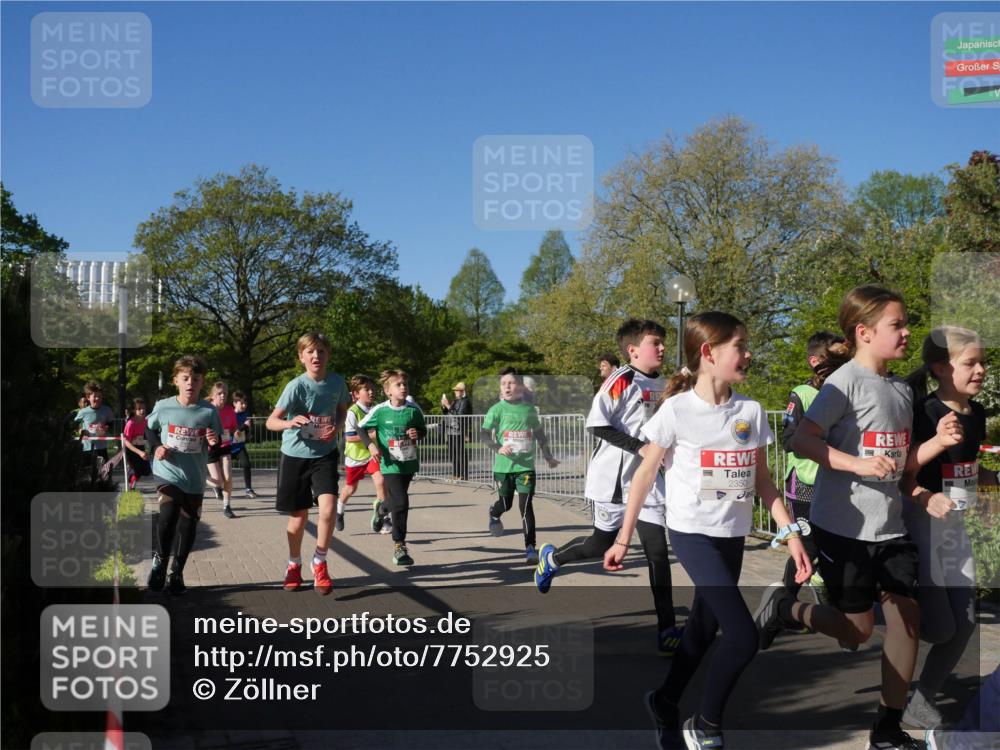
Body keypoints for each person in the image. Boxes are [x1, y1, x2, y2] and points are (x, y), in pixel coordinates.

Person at [754, 285, 963, 750]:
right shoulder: (842, 382)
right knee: (856, 631)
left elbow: (903, 462)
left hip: (891, 528)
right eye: (898, 325)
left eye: (906, 323)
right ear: (864, 333)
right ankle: (785, 609)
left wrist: (926, 478)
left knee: (906, 620)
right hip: (842, 528)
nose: (908, 332)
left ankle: (886, 731)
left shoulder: (899, 390)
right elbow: (801, 439)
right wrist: (856, 464)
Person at [604, 311, 811, 750]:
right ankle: (707, 725)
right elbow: (643, 475)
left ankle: (664, 701)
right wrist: (623, 537)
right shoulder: (677, 410)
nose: (748, 353)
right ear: (708, 353)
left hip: (731, 535)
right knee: (742, 635)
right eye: (739, 345)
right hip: (692, 534)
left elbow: (764, 483)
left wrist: (791, 536)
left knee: (702, 628)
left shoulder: (750, 411)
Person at [535, 318, 681, 657]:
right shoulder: (621, 379)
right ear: (632, 350)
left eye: (662, 342)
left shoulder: (667, 383)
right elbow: (597, 424)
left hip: (648, 484)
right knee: (601, 544)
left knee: (657, 553)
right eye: (654, 342)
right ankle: (552, 560)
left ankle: (667, 629)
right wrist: (641, 448)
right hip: (614, 482)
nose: (661, 348)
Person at [900, 326, 996, 729]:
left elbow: (964, 468)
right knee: (940, 628)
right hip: (921, 525)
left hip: (955, 530)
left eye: (983, 362)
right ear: (941, 368)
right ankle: (853, 609)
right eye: (970, 363)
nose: (981, 371)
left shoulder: (978, 415)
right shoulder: (924, 413)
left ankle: (919, 702)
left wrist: (989, 479)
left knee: (965, 622)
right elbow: (902, 475)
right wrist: (924, 495)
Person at [265, 332, 349, 596]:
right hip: (295, 456)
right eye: (310, 352)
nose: (316, 356)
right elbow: (271, 421)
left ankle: (320, 562)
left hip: (324, 455)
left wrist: (335, 427)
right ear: (302, 357)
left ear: (328, 355)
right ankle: (294, 564)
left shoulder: (337, 383)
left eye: (321, 351)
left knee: (328, 510)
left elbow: (342, 410)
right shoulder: (295, 386)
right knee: (298, 518)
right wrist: (289, 423)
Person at [777, 332, 851, 612]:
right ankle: (784, 602)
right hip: (805, 484)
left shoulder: (848, 392)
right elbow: (788, 440)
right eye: (833, 360)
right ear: (815, 362)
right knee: (807, 547)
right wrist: (821, 444)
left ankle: (834, 603)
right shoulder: (803, 393)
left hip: (837, 483)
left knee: (837, 544)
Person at [145, 355, 223, 594]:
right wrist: (157, 446)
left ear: (202, 383)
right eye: (185, 378)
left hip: (194, 477)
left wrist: (213, 441)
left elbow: (217, 445)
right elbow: (149, 429)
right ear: (176, 380)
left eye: (196, 379)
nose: (190, 383)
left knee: (188, 527)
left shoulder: (209, 411)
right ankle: (159, 562)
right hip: (167, 472)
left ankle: (177, 572)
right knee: (168, 515)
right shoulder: (164, 406)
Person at [481, 367, 559, 564]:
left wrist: (548, 456)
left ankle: (530, 547)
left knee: (526, 506)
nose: (507, 386)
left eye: (511, 383)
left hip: (525, 467)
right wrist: (498, 447)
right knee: (506, 504)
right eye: (503, 383)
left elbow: (540, 434)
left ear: (520, 387)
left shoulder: (529, 410)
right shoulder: (496, 409)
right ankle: (494, 512)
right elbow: (483, 434)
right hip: (503, 467)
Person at [360, 370, 427, 566]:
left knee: (395, 500)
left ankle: (381, 509)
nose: (403, 387)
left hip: (408, 462)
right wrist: (371, 445)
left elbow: (422, 430)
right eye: (398, 384)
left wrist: (417, 434)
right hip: (389, 464)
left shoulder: (413, 410)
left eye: (405, 384)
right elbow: (360, 427)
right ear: (387, 390)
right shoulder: (380, 411)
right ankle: (400, 546)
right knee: (402, 502)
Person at [337, 374, 388, 534]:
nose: (371, 392)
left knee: (380, 481)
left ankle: (383, 517)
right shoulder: (353, 412)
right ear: (356, 394)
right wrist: (370, 436)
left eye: (373, 389)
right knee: (351, 488)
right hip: (355, 456)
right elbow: (350, 437)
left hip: (372, 454)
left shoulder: (377, 409)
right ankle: (339, 510)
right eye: (367, 389)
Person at [206, 382, 238, 519]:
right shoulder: (207, 410)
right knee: (218, 481)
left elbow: (233, 427)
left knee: (228, 477)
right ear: (213, 396)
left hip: (225, 445)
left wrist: (237, 432)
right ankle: (201, 478)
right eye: (220, 393)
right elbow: (199, 428)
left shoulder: (229, 409)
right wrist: (207, 434)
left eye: (225, 393)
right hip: (210, 447)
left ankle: (227, 506)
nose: (223, 396)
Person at [75, 380, 115, 485]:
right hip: (87, 448)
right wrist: (81, 430)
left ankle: (105, 494)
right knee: (87, 476)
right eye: (95, 396)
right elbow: (75, 425)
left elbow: (112, 424)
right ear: (88, 397)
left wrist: (106, 428)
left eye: (100, 396)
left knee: (105, 475)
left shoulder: (107, 410)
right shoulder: (83, 412)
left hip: (102, 448)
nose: (97, 399)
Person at [441, 381, 472, 480]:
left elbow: (459, 415)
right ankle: (456, 474)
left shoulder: (465, 402)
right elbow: (448, 413)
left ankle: (463, 474)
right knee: (452, 453)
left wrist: (448, 406)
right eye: (455, 390)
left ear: (462, 391)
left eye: (458, 390)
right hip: (450, 429)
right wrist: (444, 406)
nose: (455, 392)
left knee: (460, 453)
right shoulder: (455, 401)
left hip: (459, 430)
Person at [230, 391, 258, 499]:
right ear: (234, 404)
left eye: (245, 403)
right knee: (224, 469)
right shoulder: (231, 415)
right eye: (241, 403)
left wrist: (248, 435)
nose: (244, 405)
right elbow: (233, 430)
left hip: (239, 446)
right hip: (228, 447)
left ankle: (248, 489)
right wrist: (243, 426)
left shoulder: (246, 415)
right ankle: (219, 488)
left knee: (246, 464)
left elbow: (245, 431)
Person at [122, 397, 152, 490]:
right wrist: (139, 452)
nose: (142, 411)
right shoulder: (130, 423)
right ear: (134, 410)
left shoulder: (146, 421)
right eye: (139, 409)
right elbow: (126, 441)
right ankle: (132, 485)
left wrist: (146, 449)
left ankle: (132, 476)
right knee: (137, 470)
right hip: (132, 449)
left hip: (141, 447)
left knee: (146, 471)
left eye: (143, 408)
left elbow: (147, 435)